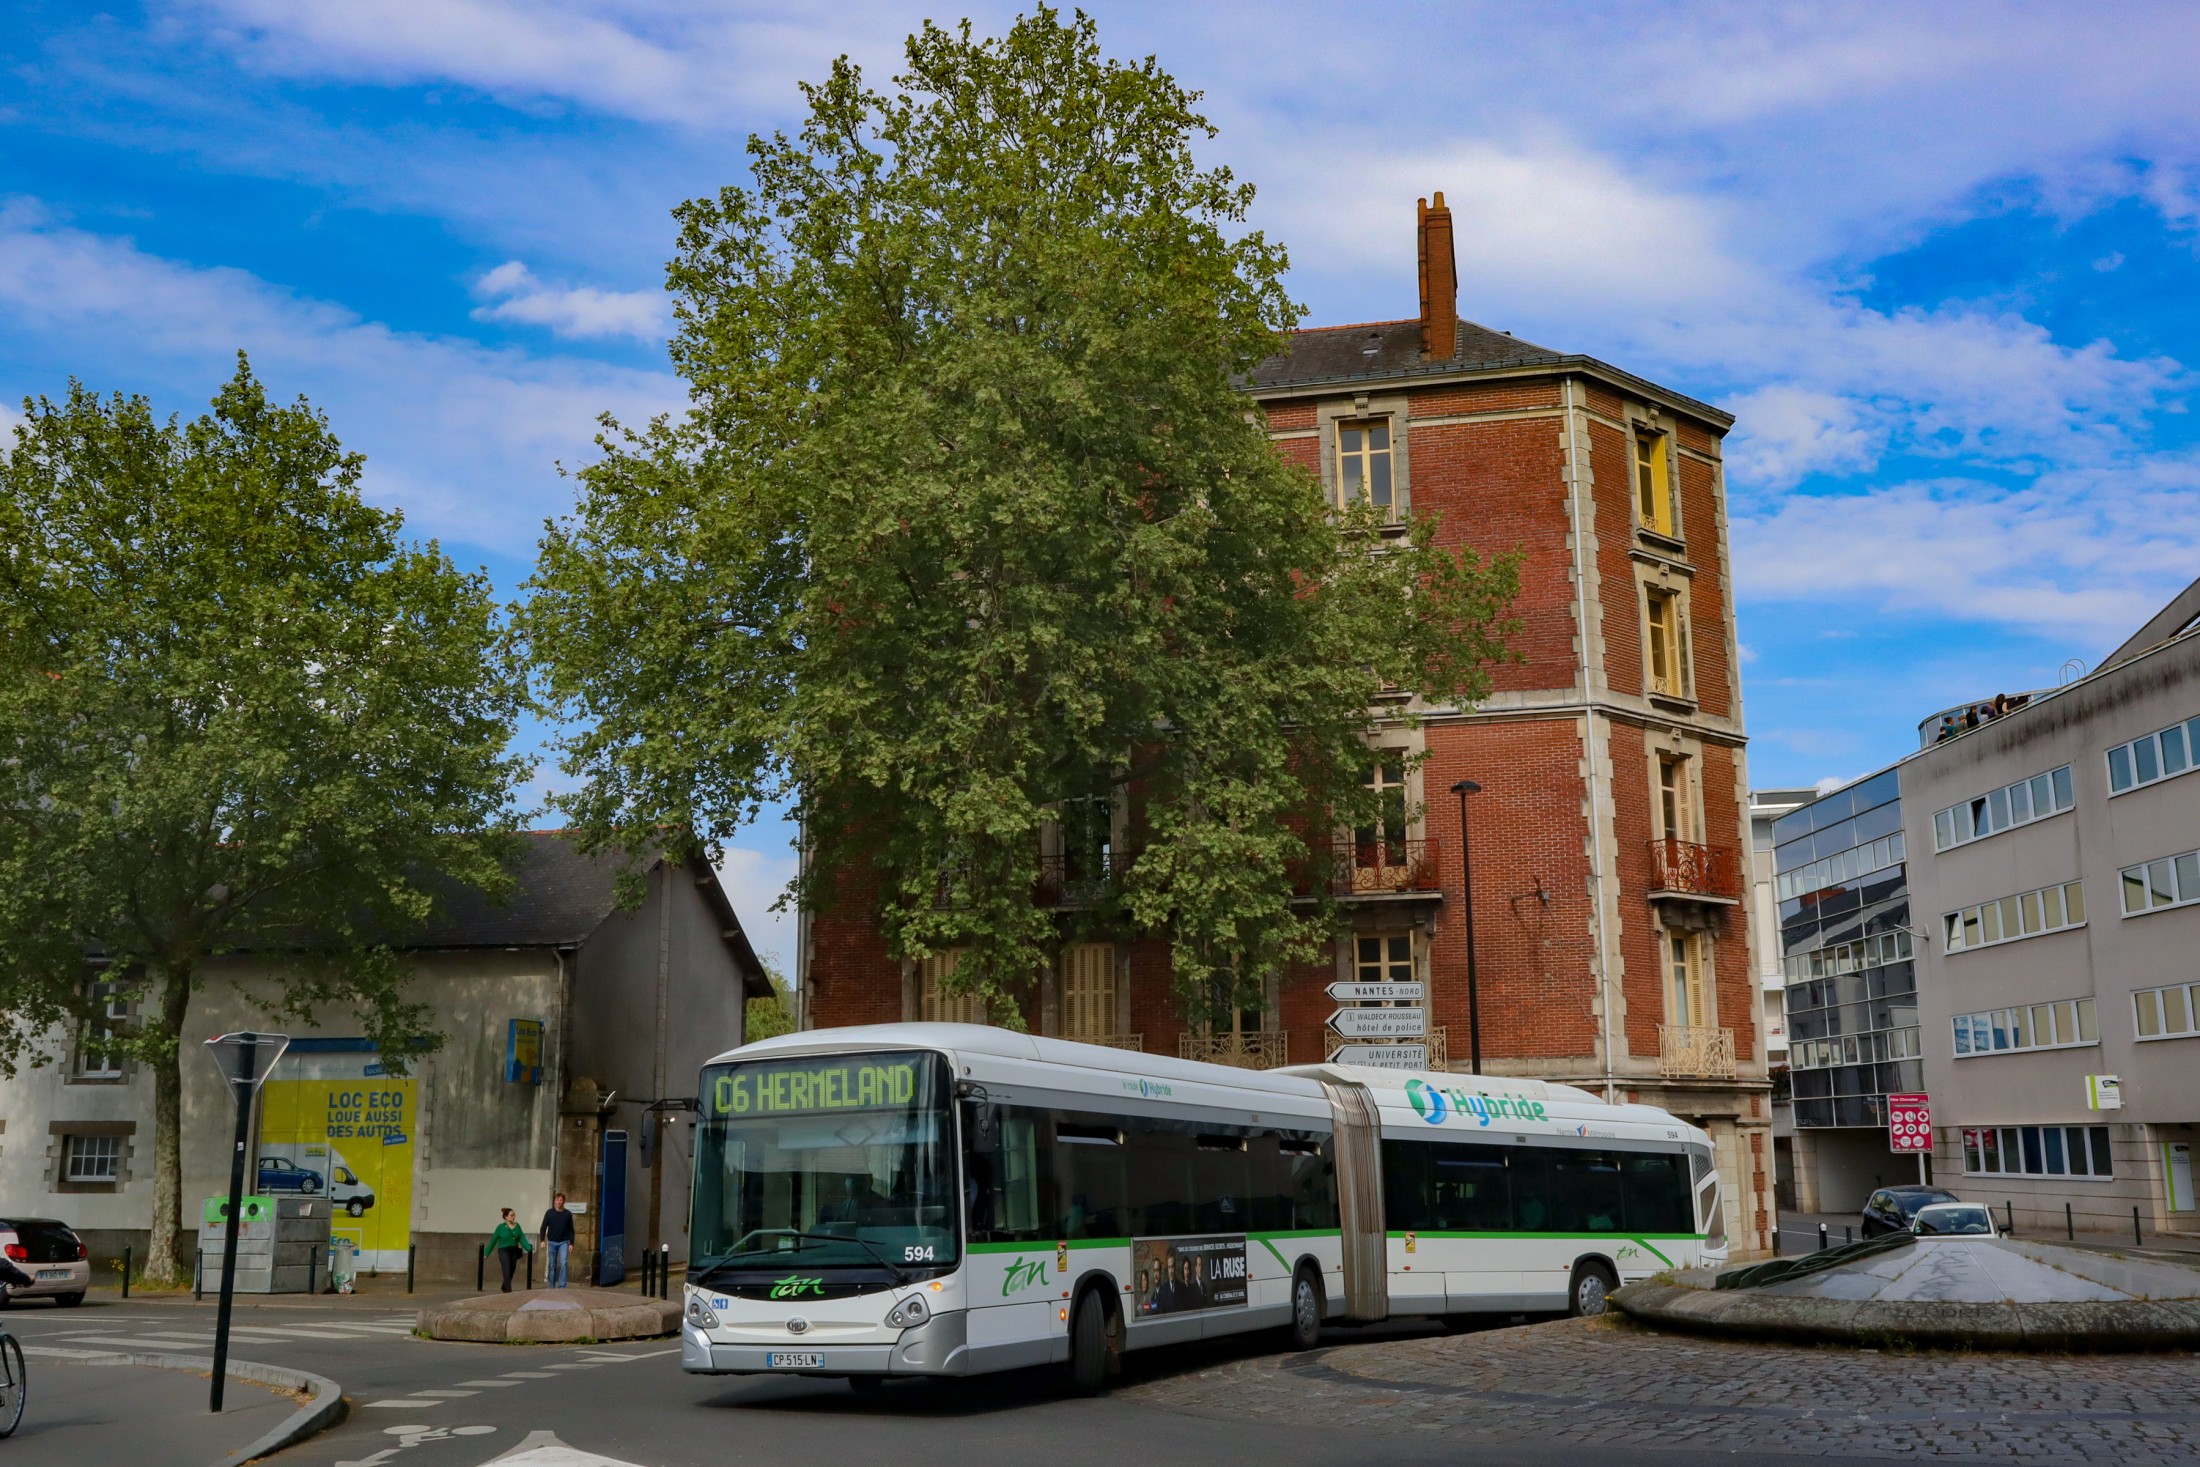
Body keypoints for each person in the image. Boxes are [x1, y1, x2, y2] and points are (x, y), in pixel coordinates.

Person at [485, 1206, 533, 1293]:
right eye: (511, 1215)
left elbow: (522, 1238)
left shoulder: (517, 1226)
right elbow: (493, 1240)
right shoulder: (500, 1227)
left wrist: (528, 1247)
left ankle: (504, 1286)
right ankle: (508, 1292)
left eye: (514, 1215)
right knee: (506, 1270)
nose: (513, 1217)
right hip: (503, 1251)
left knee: (511, 1270)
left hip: (514, 1251)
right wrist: (486, 1253)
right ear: (506, 1217)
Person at [538, 1193, 575, 1290]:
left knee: (563, 1263)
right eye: (557, 1200)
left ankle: (562, 1286)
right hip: (552, 1242)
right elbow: (543, 1227)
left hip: (563, 1242)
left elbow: (571, 1229)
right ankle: (551, 1287)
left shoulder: (567, 1214)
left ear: (563, 1201)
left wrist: (571, 1243)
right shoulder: (549, 1213)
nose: (559, 1202)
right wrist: (542, 1240)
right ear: (554, 1201)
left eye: (561, 1200)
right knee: (552, 1265)